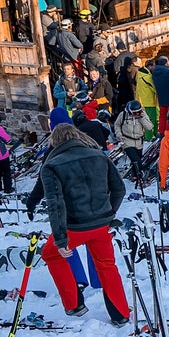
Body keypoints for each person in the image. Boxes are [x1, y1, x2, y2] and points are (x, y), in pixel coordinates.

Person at [38, 123, 129, 323]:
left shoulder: (52, 165)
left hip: (75, 227)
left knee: (50, 254)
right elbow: (119, 190)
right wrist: (109, 213)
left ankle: (73, 304)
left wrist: (60, 240)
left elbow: (56, 205)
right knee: (107, 266)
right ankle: (121, 314)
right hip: (101, 224)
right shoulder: (99, 156)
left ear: (55, 142)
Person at [114, 100, 155, 187]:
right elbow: (117, 125)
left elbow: (149, 127)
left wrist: (141, 117)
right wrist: (119, 134)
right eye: (134, 112)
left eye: (138, 112)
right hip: (127, 140)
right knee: (135, 158)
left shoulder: (142, 115)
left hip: (139, 141)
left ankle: (135, 175)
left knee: (137, 160)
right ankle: (143, 173)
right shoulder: (123, 115)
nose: (136, 114)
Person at [150, 57, 169, 133]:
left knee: (162, 116)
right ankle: (168, 131)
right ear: (166, 63)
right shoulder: (167, 71)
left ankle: (161, 131)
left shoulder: (154, 72)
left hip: (161, 96)